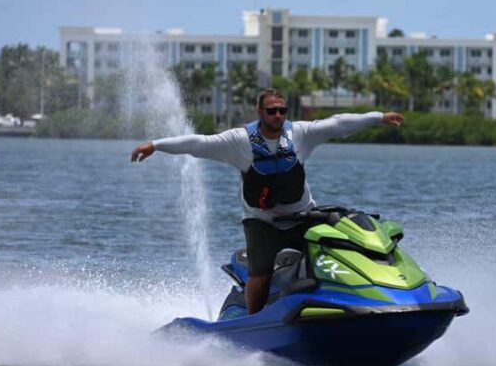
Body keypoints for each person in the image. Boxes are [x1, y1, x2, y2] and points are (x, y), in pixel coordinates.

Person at [131, 88, 404, 315]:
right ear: (260, 112)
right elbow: (198, 143)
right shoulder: (239, 141)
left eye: (282, 110)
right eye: (271, 111)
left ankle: (352, 300)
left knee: (335, 252)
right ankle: (255, 320)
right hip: (262, 221)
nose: (277, 116)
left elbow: (339, 123)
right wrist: (156, 145)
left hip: (303, 216)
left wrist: (379, 117)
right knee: (260, 274)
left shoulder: (301, 133)